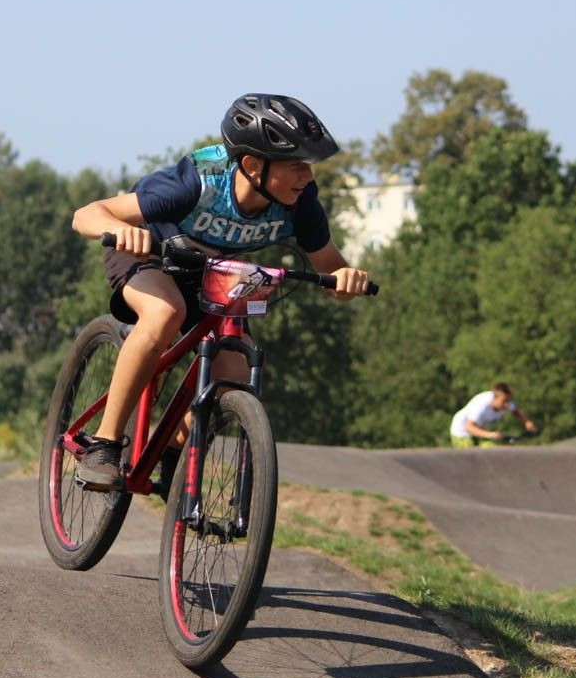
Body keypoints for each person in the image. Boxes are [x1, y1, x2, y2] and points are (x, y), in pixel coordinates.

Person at [70, 93, 371, 493]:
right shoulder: (198, 180)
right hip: (151, 253)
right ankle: (104, 446)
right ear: (252, 165)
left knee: (232, 374)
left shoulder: (301, 204)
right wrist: (122, 230)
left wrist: (347, 281)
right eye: (297, 165)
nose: (308, 177)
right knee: (164, 314)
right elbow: (86, 214)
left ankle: (173, 445)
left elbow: (332, 272)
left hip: (213, 274)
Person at [449, 383, 536, 446]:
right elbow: (469, 427)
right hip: (461, 432)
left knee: (492, 452)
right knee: (470, 455)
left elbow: (516, 411)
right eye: (504, 402)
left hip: (479, 432)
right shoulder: (481, 404)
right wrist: (491, 435)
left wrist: (527, 423)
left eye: (509, 401)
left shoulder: (506, 402)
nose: (507, 405)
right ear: (495, 398)